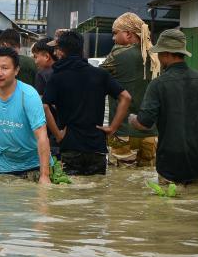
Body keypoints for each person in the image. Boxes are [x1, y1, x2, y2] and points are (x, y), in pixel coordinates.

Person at [130, 29, 198, 185]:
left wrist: (132, 119)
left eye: (160, 53)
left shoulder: (158, 85)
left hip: (170, 164)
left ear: (167, 54)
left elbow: (143, 123)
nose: (159, 58)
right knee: (196, 206)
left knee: (168, 207)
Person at [42, 30, 132, 175]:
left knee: (71, 194)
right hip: (97, 147)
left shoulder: (57, 77)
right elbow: (126, 97)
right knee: (96, 193)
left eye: (57, 50)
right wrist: (113, 127)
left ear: (61, 52)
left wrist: (58, 135)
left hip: (70, 145)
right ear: (82, 50)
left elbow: (45, 105)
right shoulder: (100, 74)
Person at [0, 47, 51, 183]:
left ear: (16, 70)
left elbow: (42, 136)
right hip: (3, 168)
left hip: (34, 167)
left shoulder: (29, 96)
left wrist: (45, 175)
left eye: (5, 68)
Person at [100, 12, 161, 167]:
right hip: (151, 134)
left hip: (123, 132)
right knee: (145, 182)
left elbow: (97, 78)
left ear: (128, 34)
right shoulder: (157, 57)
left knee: (120, 184)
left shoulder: (118, 53)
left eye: (115, 33)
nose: (113, 38)